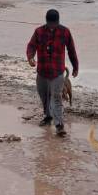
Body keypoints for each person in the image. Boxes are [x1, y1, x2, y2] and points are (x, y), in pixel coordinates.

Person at [25, 9, 79, 137]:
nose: (52, 27)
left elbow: (71, 50)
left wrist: (75, 67)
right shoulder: (38, 32)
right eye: (51, 24)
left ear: (58, 21)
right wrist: (30, 57)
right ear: (47, 21)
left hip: (57, 72)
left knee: (56, 97)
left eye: (55, 24)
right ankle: (48, 117)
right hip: (42, 72)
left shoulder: (65, 32)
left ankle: (59, 125)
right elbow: (31, 46)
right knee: (44, 97)